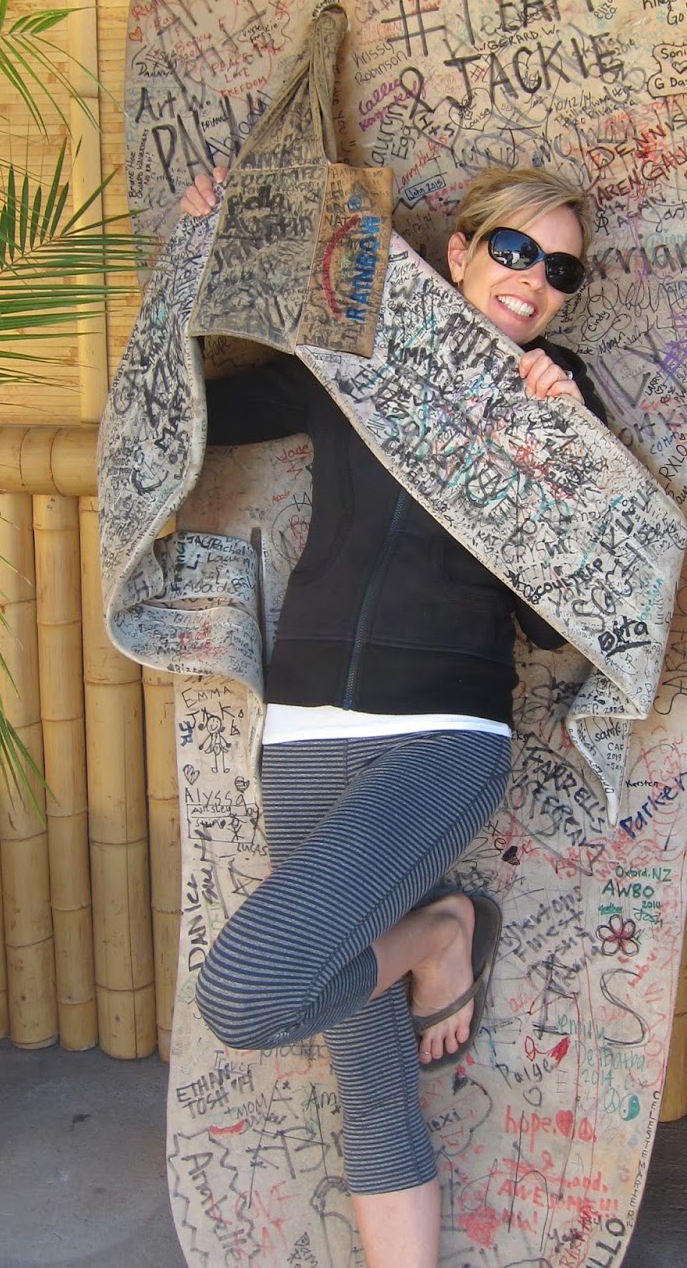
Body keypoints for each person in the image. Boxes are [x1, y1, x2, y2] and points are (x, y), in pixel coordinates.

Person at [179, 164, 604, 1268]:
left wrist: (555, 453)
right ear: (458, 252)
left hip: (444, 735)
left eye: (559, 269)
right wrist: (201, 247)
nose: (535, 282)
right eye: (514, 250)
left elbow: (555, 623)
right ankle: (437, 935)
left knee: (247, 991)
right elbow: (196, 413)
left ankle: (433, 931)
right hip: (303, 729)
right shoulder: (358, 357)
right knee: (369, 1081)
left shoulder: (558, 394)